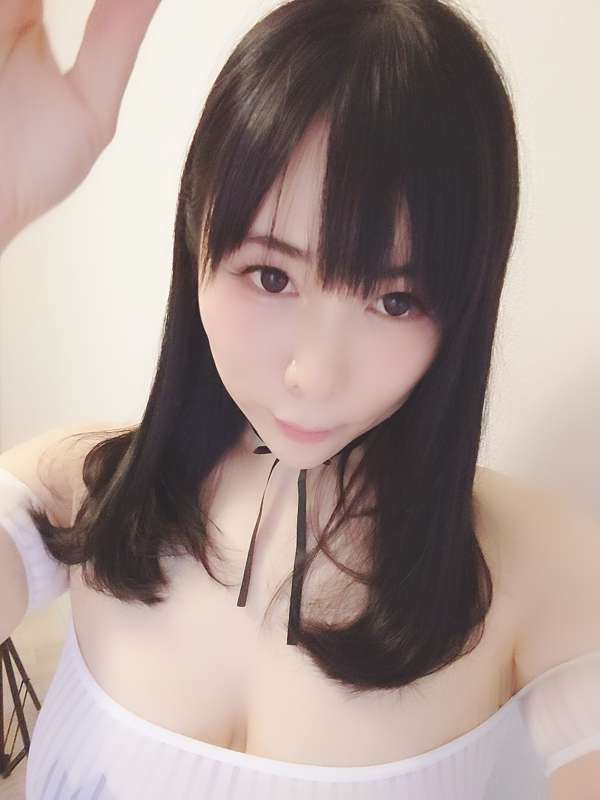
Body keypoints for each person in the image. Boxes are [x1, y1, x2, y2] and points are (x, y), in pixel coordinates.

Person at [1, 1, 599, 798]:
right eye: (272, 275)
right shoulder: (85, 488)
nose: (314, 375)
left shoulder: (539, 568)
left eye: (394, 301)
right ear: (195, 238)